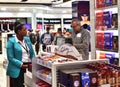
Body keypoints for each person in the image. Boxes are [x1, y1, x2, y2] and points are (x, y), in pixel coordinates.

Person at [6, 22, 35, 87]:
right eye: (24, 29)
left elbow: (32, 53)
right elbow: (10, 58)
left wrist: (34, 62)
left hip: (29, 66)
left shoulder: (27, 39)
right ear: (19, 32)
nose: (26, 31)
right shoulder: (11, 42)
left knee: (29, 84)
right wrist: (21, 65)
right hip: (18, 68)